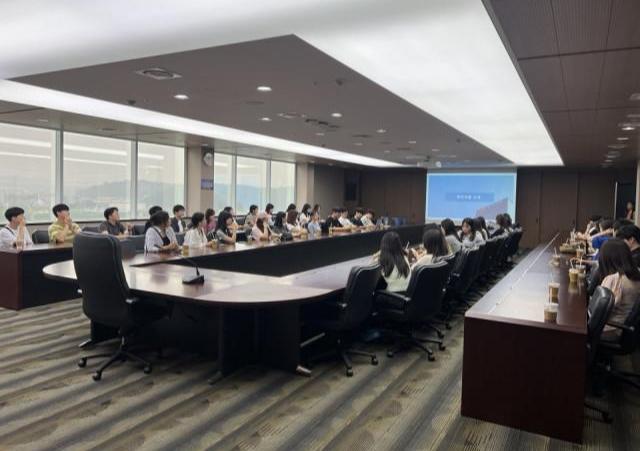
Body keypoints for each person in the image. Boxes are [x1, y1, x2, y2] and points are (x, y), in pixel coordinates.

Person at [598, 239, 640, 340]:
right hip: (625, 330)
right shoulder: (637, 273)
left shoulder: (614, 280)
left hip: (609, 329)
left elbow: (599, 312)